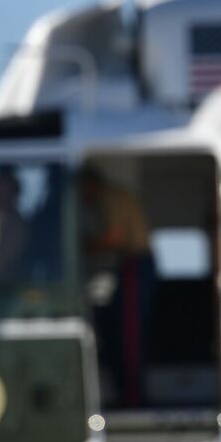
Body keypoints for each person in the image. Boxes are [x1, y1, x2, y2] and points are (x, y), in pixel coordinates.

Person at [79, 166, 156, 407]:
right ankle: (129, 395)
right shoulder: (111, 196)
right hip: (131, 269)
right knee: (120, 333)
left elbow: (115, 238)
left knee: (128, 337)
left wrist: (81, 247)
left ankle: (134, 400)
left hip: (135, 266)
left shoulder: (108, 198)